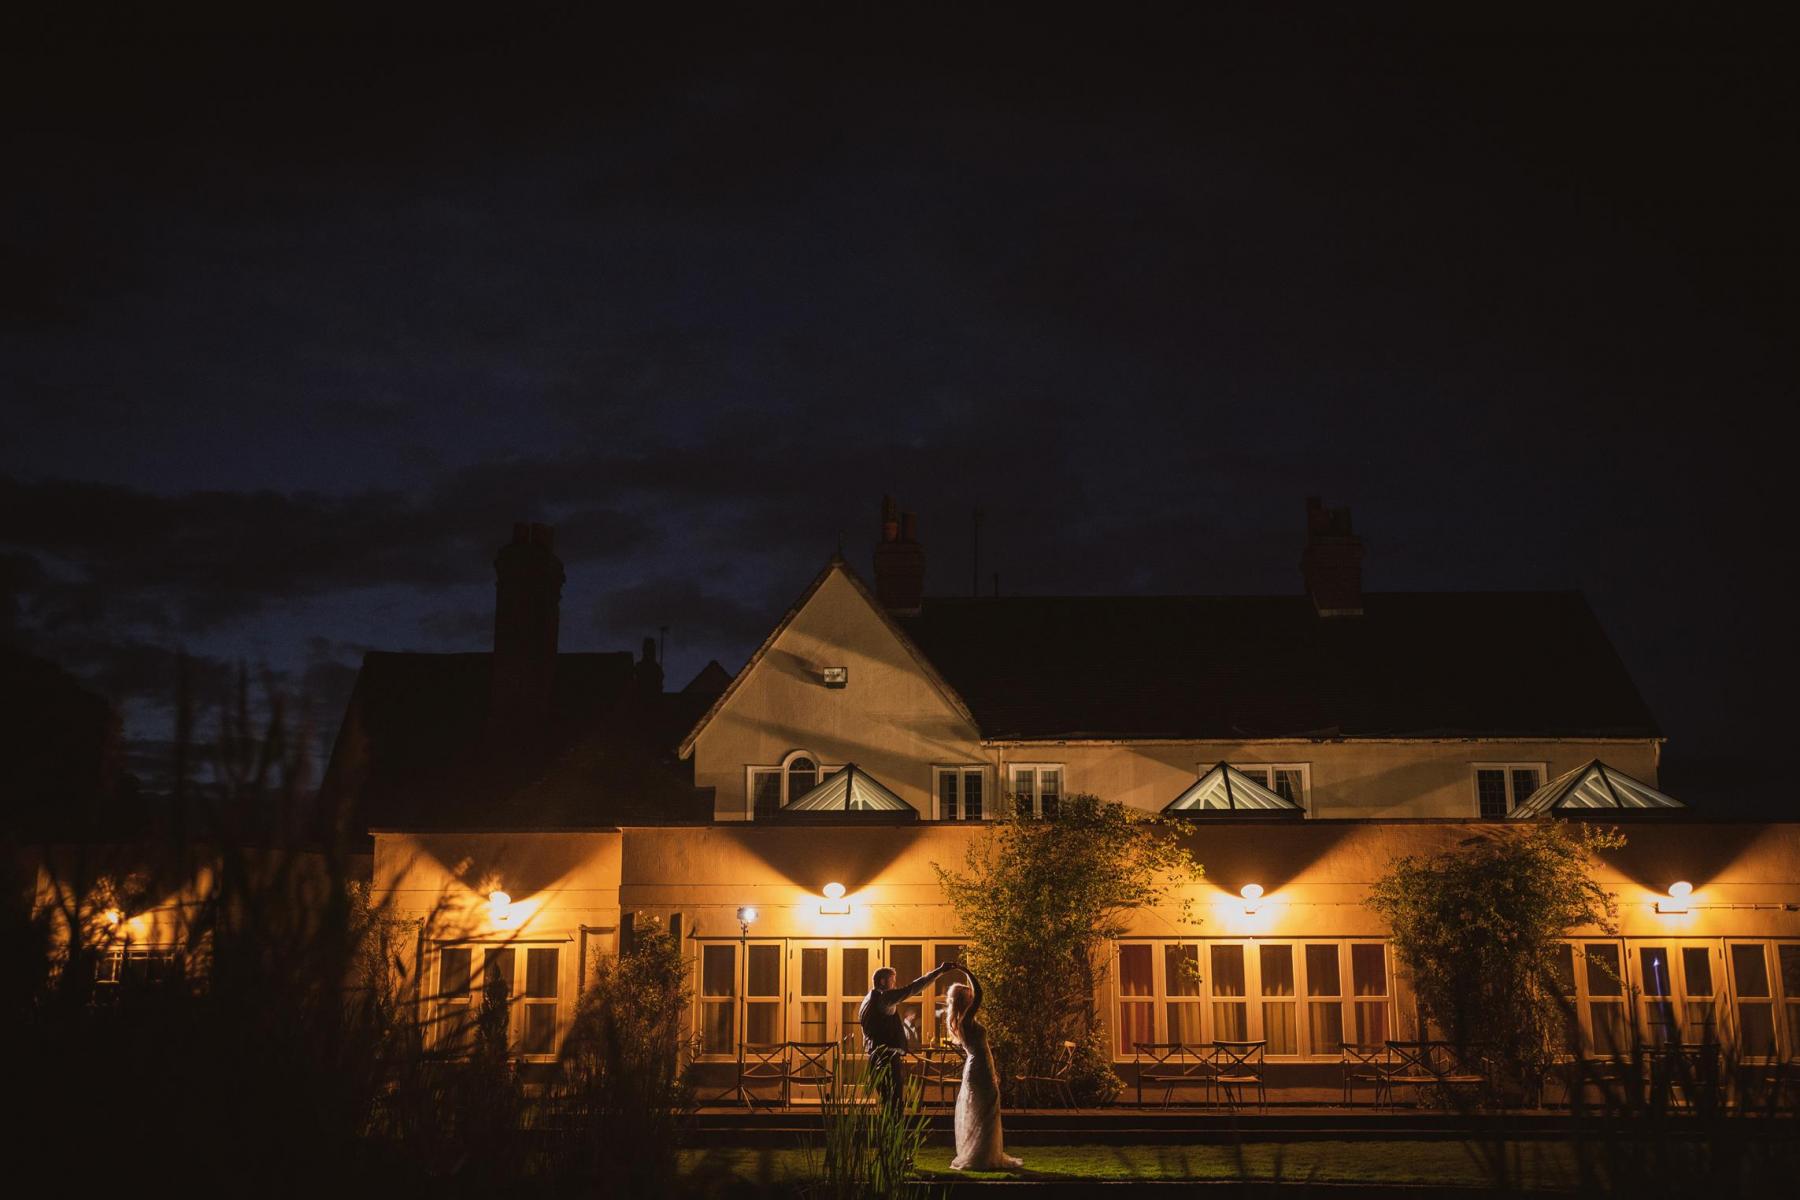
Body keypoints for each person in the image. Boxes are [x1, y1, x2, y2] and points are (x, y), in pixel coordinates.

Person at [945, 966, 1022, 1171]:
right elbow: (980, 993)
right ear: (964, 1000)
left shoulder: (962, 1020)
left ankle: (986, 1154)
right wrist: (966, 971)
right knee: (985, 1112)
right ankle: (983, 1156)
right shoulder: (966, 1019)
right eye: (968, 996)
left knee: (984, 1111)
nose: (972, 998)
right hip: (979, 1066)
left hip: (980, 1065)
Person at [859, 961, 957, 1117]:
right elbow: (913, 988)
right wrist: (939, 971)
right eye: (892, 981)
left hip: (874, 1056)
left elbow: (867, 1030)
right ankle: (896, 1129)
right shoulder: (885, 997)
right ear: (883, 982)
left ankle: (888, 1130)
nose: (895, 985)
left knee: (886, 1101)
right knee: (894, 1101)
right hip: (888, 1057)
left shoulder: (866, 1000)